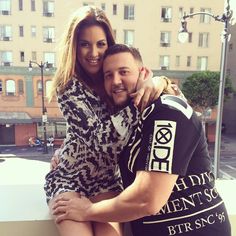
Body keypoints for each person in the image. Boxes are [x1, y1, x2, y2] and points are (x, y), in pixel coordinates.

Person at [52, 44, 231, 236]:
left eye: (124, 72)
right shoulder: (126, 123)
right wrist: (65, 154)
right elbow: (97, 141)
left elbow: (147, 199)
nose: (116, 81)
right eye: (108, 75)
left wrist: (87, 211)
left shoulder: (166, 110)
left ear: (143, 73)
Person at [44, 6, 173, 236]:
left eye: (100, 44)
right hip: (69, 178)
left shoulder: (116, 78)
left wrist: (159, 82)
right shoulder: (68, 87)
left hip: (108, 181)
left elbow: (167, 92)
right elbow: (100, 140)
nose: (93, 52)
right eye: (85, 44)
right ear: (74, 46)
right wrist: (141, 98)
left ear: (109, 44)